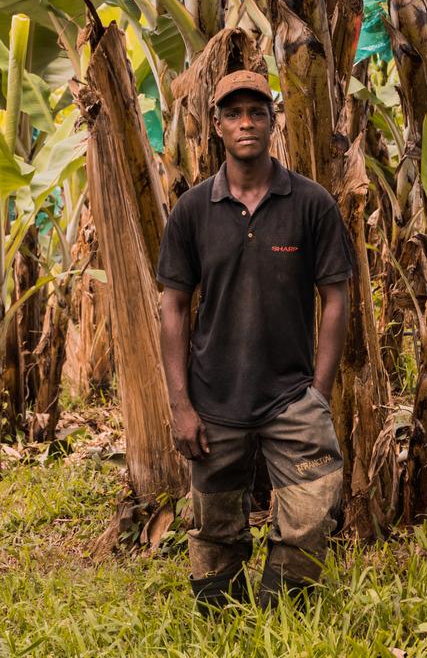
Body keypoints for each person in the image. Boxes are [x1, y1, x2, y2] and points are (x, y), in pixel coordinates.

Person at [156, 70, 354, 612]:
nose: (246, 123)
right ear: (217, 126)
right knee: (215, 528)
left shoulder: (311, 204)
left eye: (257, 112)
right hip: (212, 399)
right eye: (234, 114)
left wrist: (318, 391)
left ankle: (279, 610)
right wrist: (180, 404)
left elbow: (335, 299)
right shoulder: (193, 211)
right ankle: (222, 617)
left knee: (314, 509)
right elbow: (172, 307)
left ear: (272, 122)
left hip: (291, 396)